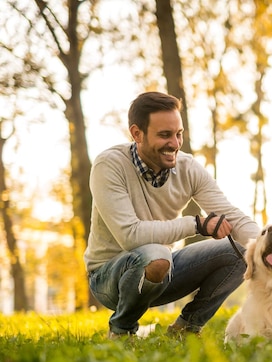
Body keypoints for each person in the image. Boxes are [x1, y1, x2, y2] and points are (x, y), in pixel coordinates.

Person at [84, 91, 260, 338]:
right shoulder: (109, 166)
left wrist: (271, 247)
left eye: (179, 134)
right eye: (165, 135)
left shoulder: (188, 167)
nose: (175, 144)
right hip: (108, 278)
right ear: (137, 134)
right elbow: (130, 236)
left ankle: (186, 329)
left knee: (240, 252)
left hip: (163, 268)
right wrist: (197, 224)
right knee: (156, 254)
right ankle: (122, 331)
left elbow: (230, 216)